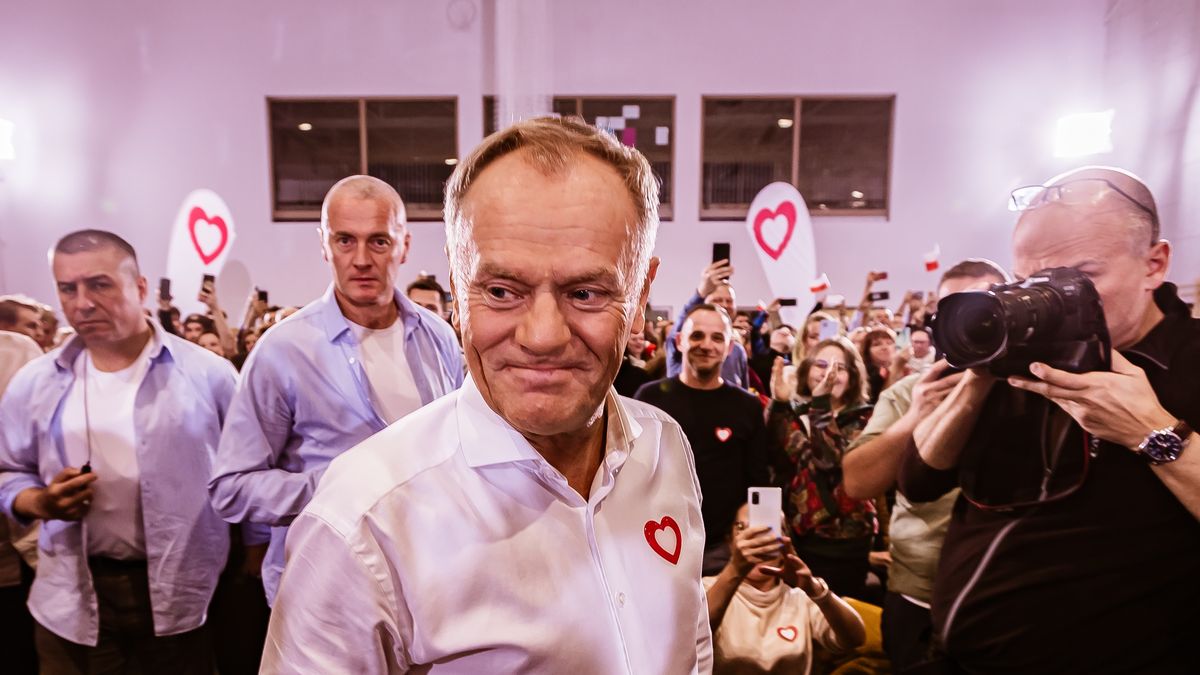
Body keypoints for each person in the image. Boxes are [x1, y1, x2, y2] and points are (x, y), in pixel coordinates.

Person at [262, 117, 711, 673]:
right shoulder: (364, 522)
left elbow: (689, 646)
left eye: (585, 293)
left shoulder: (664, 449)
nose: (542, 336)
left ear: (640, 294)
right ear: (457, 285)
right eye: (501, 291)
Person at [898, 167, 1200, 672]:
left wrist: (1152, 432)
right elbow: (919, 480)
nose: (1052, 299)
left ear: (1154, 264)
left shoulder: (1190, 361)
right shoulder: (1019, 354)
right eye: (1031, 281)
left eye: (1079, 278)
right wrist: (980, 372)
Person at [209, 175, 464, 605]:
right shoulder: (284, 350)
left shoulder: (437, 337)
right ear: (324, 245)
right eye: (345, 240)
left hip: (427, 586)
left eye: (379, 241)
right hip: (322, 593)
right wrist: (337, 485)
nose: (361, 259)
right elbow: (231, 487)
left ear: (404, 245)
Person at [0, 230, 235, 673]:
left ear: (140, 287)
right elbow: (9, 471)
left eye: (100, 284)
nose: (83, 302)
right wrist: (40, 501)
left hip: (182, 595)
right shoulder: (35, 382)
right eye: (68, 289)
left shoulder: (209, 376)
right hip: (70, 594)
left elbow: (243, 473)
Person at [840, 259, 1008, 671]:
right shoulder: (912, 392)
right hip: (919, 594)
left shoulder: (1033, 386)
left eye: (985, 307)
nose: (973, 322)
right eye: (957, 310)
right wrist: (916, 417)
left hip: (1004, 591)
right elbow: (858, 480)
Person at [635, 304, 769, 574]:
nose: (707, 345)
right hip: (655, 541)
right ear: (680, 341)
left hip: (722, 548)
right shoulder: (649, 399)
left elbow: (758, 481)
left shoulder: (747, 406)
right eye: (697, 336)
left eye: (717, 338)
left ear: (730, 348)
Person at [767, 338, 876, 599]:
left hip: (847, 542)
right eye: (821, 365)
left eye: (840, 368)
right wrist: (780, 404)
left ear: (852, 376)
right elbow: (783, 453)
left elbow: (828, 460)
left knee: (842, 623)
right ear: (807, 370)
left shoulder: (866, 417)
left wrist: (821, 405)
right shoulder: (800, 411)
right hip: (801, 538)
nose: (829, 374)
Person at [705, 503, 866, 674]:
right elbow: (691, 637)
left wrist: (815, 590)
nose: (758, 540)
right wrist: (735, 570)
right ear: (730, 541)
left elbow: (854, 639)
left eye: (769, 530)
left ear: (785, 540)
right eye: (743, 529)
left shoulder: (800, 598)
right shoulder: (707, 588)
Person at [665, 260, 750, 389]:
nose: (724, 304)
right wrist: (700, 293)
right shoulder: (684, 343)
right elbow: (679, 330)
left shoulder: (737, 351)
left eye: (729, 300)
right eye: (717, 300)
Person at [859, 327, 896, 403]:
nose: (885, 347)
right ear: (867, 350)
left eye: (889, 343)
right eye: (877, 344)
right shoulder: (866, 374)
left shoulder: (905, 368)